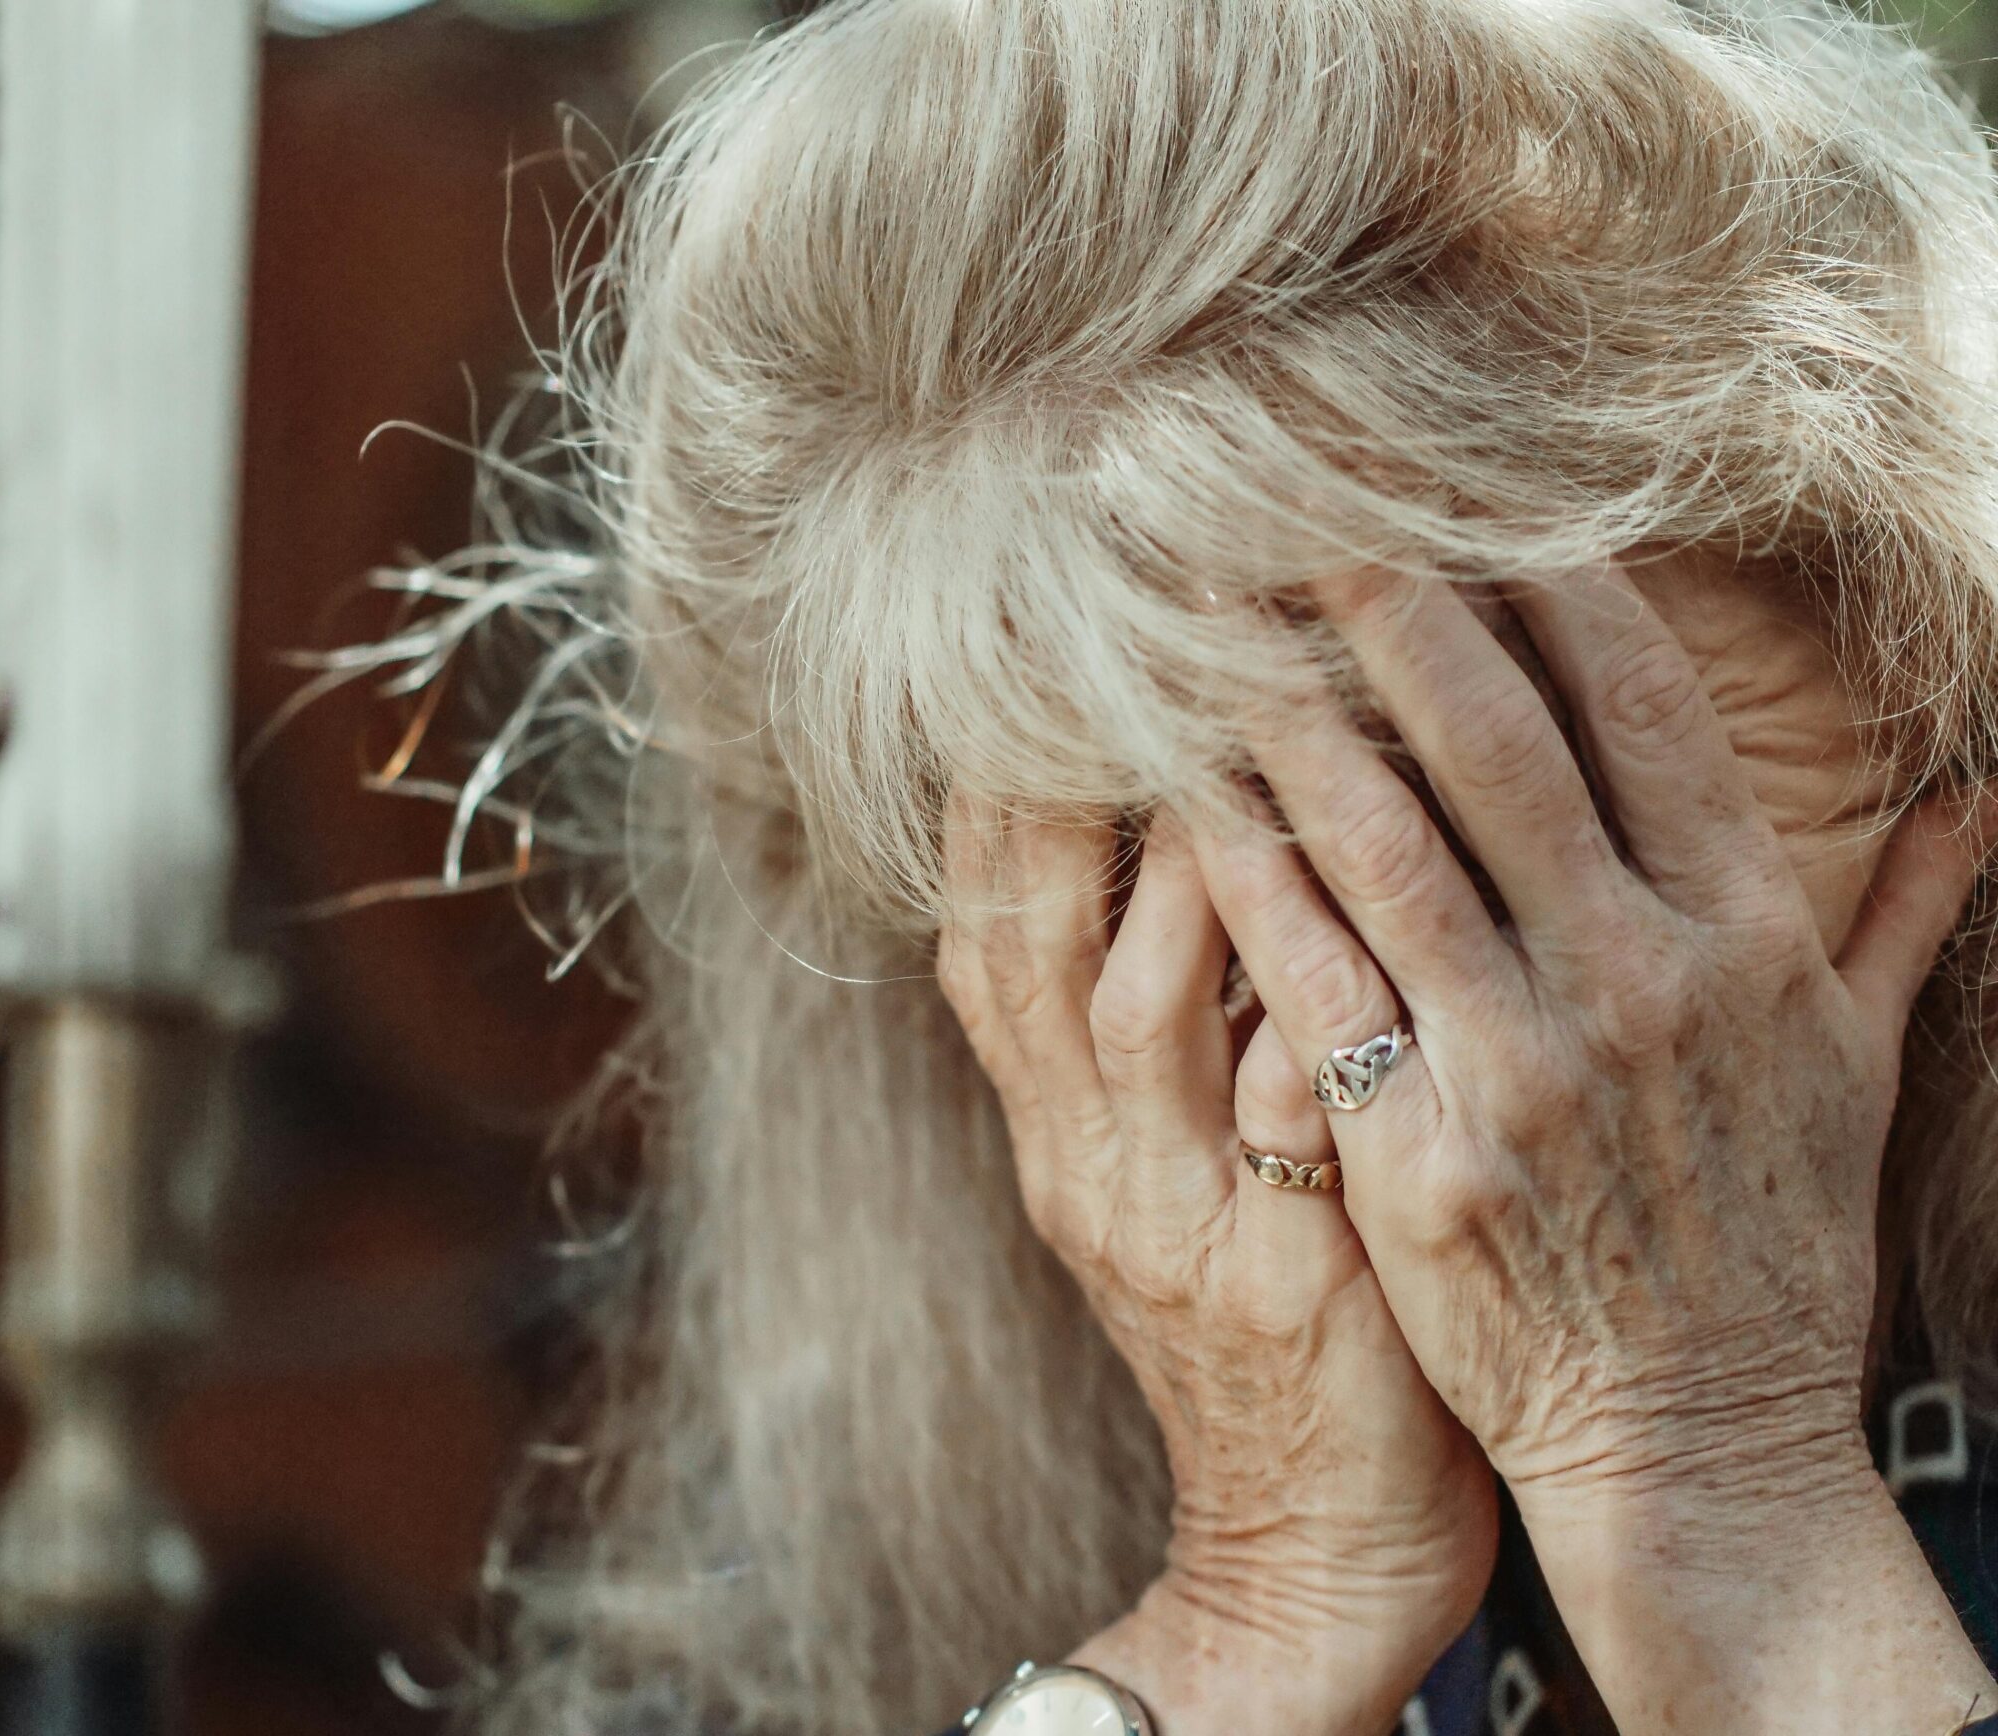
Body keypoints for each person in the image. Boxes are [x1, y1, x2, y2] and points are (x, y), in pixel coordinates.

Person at [359, 1, 1998, 1730]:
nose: (1460, 1060)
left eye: (1550, 781)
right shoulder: (855, 1483)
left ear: (1926, 655)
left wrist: (1726, 1507)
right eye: (1210, 868)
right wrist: (1256, 1615)